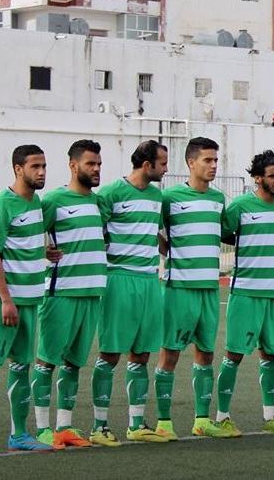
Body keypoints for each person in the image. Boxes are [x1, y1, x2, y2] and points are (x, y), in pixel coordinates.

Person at [90, 140, 169, 446]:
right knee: (110, 353)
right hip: (119, 278)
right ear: (146, 165)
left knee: (142, 353)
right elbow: (96, 232)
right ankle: (99, 426)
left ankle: (136, 423)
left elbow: (157, 234)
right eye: (162, 163)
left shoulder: (156, 196)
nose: (165, 168)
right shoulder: (111, 193)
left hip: (150, 280)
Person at [153, 138, 233, 440]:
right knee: (170, 355)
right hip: (178, 289)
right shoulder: (169, 197)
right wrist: (168, 251)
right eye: (207, 160)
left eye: (216, 160)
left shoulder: (218, 199)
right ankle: (163, 422)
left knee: (206, 355)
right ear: (191, 162)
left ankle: (202, 420)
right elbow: (151, 228)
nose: (213, 166)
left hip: (209, 290)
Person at [31, 140, 105, 450]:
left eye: (99, 164)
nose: (97, 169)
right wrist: (43, 252)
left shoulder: (99, 203)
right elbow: (29, 238)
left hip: (91, 295)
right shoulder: (54, 200)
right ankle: (42, 428)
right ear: (74, 166)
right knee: (46, 362)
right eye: (91, 164)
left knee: (74, 364)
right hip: (60, 293)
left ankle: (65, 426)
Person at [216, 150, 274, 435]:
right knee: (234, 354)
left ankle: (270, 416)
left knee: (272, 355)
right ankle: (222, 416)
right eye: (273, 176)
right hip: (247, 293)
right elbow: (224, 233)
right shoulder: (240, 206)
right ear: (258, 178)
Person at [0, 145, 53, 452]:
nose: (42, 171)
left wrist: (44, 253)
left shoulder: (36, 203)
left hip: (31, 302)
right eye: (35, 166)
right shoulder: (4, 204)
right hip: (8, 303)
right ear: (18, 169)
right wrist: (5, 299)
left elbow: (17, 246)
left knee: (20, 367)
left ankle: (19, 434)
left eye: (44, 166)